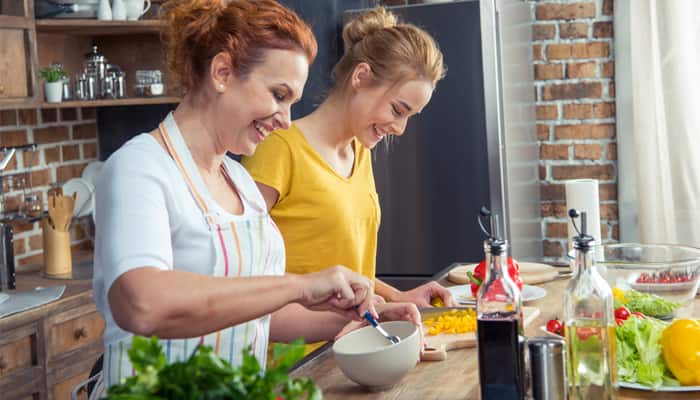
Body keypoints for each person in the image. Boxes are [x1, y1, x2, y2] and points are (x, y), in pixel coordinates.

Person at [91, 0, 420, 393]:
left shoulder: (239, 183)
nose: (285, 119)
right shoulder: (139, 168)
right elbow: (142, 304)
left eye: (292, 102)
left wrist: (370, 318)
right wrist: (301, 285)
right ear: (222, 72)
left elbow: (264, 317)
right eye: (278, 94)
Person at [242, 7, 455, 311]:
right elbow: (241, 273)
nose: (400, 128)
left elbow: (342, 270)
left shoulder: (360, 152)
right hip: (297, 354)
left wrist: (398, 297)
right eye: (398, 110)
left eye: (409, 116)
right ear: (361, 76)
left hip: (355, 343)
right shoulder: (279, 149)